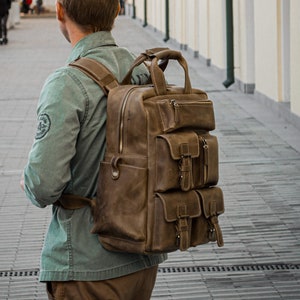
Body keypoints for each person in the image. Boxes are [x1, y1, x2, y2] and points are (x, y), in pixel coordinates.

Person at [20, 0, 166, 299]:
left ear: (60, 11)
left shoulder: (67, 83)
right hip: (143, 254)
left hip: (86, 262)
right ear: (116, 10)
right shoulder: (142, 70)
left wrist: (29, 183)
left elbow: (44, 185)